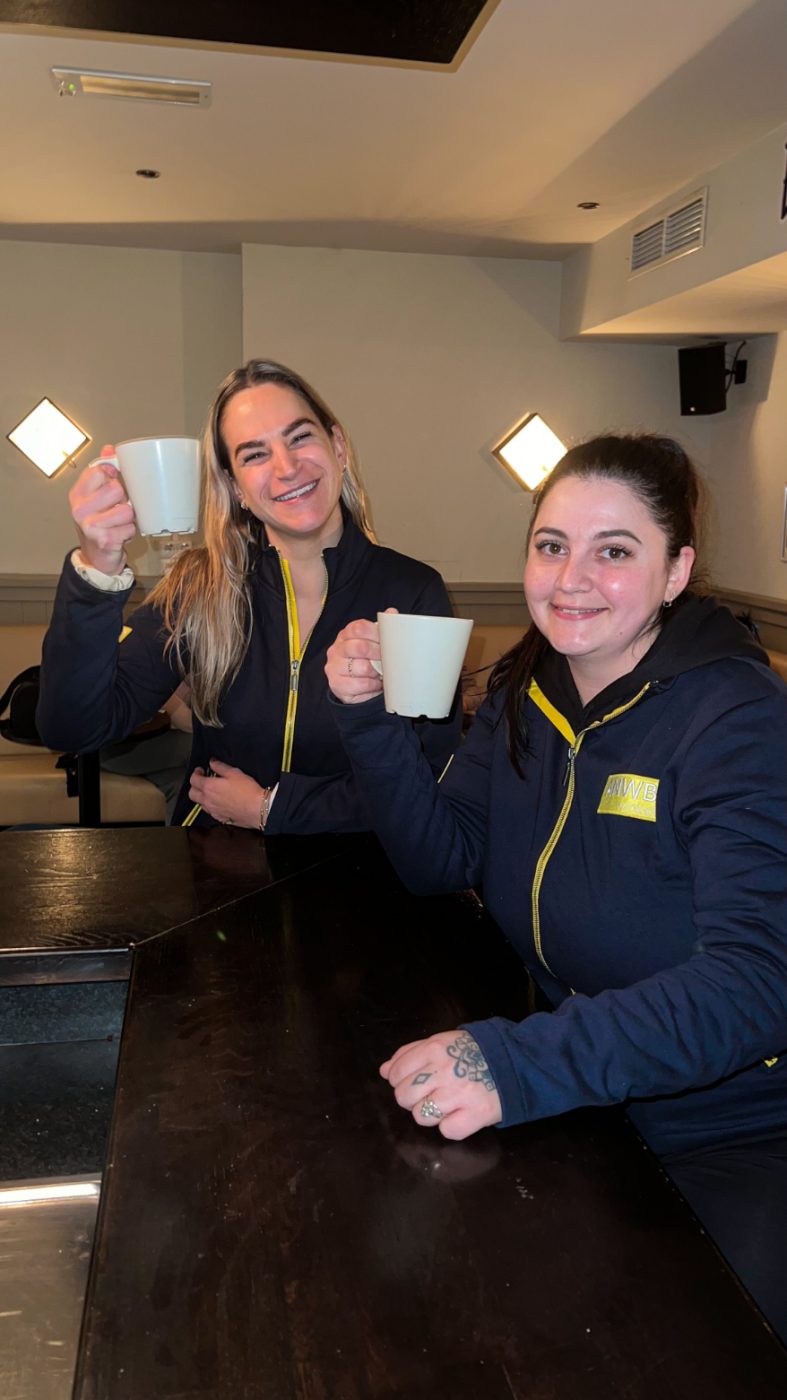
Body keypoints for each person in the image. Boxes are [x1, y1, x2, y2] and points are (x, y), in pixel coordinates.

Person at [325, 433, 787, 1341]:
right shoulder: (524, 688)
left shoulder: (736, 718)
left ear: (675, 570)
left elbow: (758, 983)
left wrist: (520, 1064)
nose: (570, 578)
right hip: (587, 1091)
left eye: (614, 551)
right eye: (550, 545)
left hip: (734, 1125)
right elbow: (441, 856)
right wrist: (367, 722)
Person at [37, 360, 460, 831]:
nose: (287, 467)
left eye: (299, 437)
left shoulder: (412, 590)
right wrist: (96, 570)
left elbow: (430, 774)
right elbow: (74, 728)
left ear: (338, 446)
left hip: (356, 877)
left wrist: (271, 809)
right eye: (254, 454)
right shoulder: (200, 585)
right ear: (235, 486)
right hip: (217, 875)